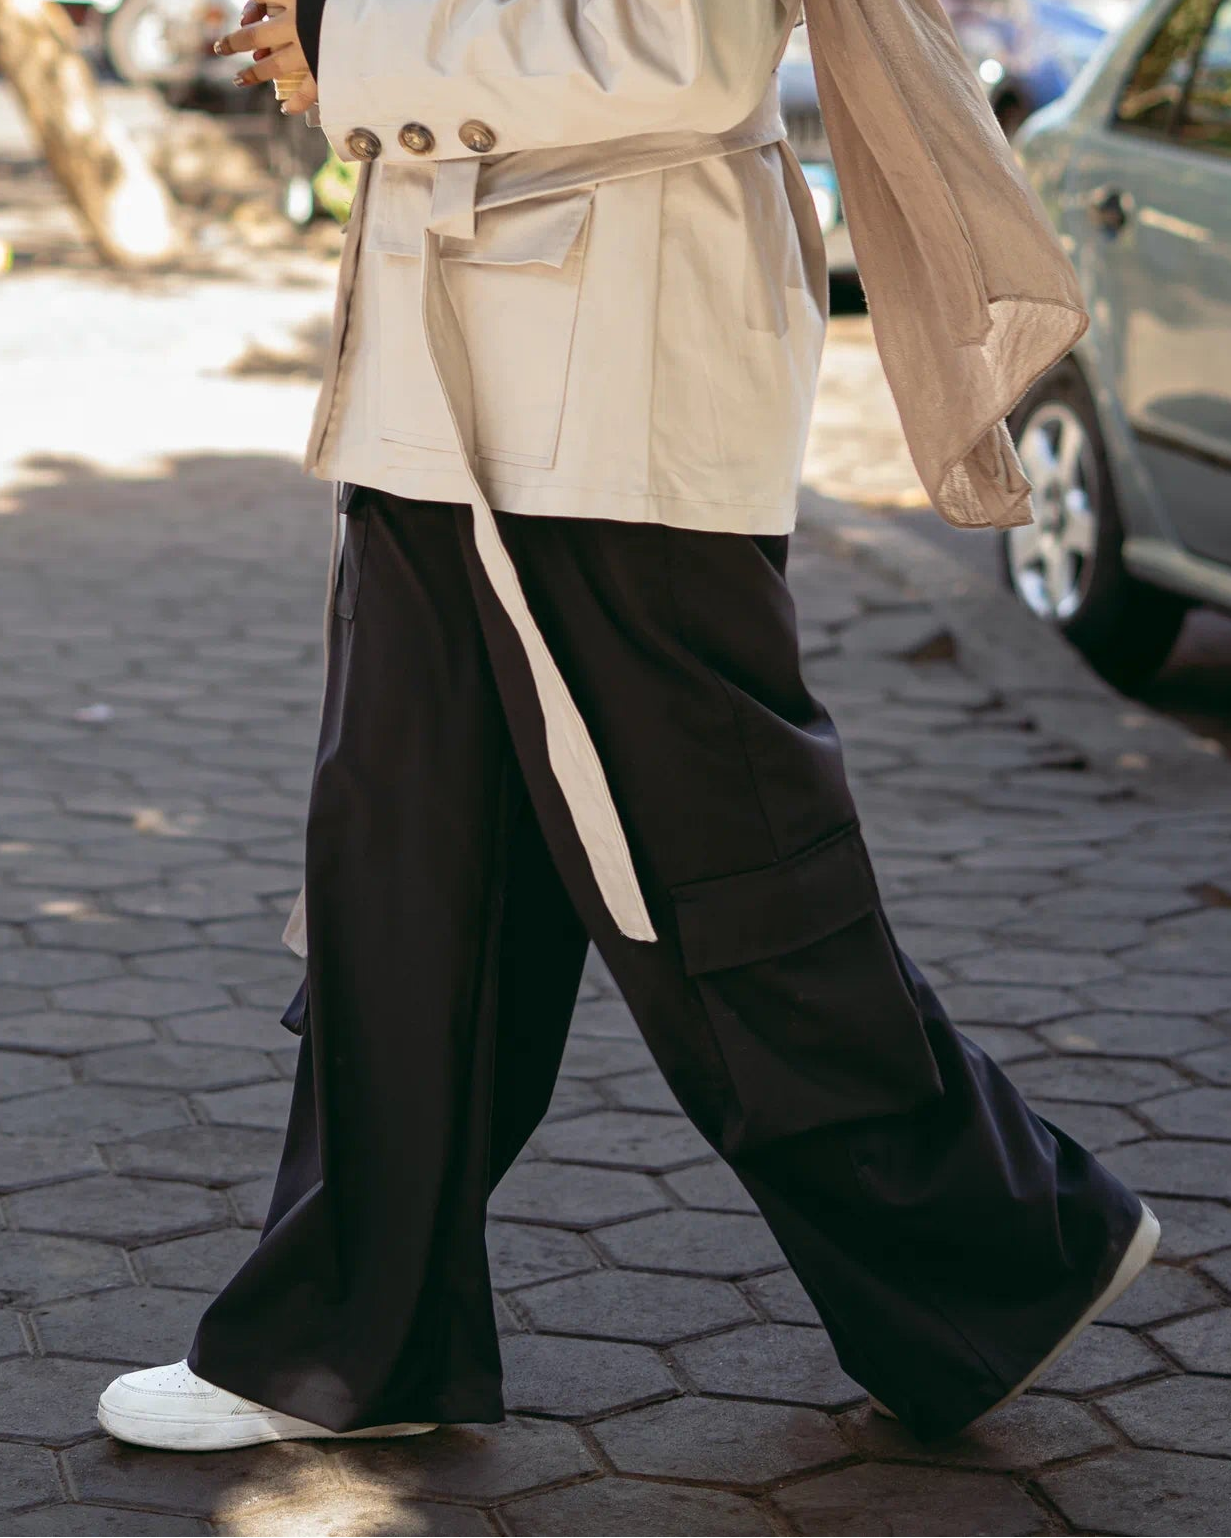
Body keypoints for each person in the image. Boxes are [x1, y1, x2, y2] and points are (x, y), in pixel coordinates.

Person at [98, 0, 1158, 1452]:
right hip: (460, 361)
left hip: (609, 379)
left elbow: (688, 45)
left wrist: (355, 43)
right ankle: (346, 1341)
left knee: (719, 867)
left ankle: (1001, 1244)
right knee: (408, 866)